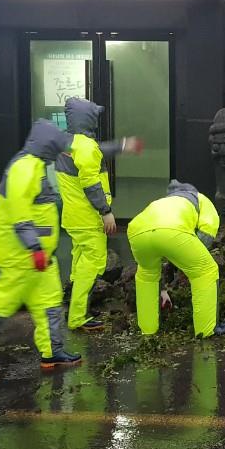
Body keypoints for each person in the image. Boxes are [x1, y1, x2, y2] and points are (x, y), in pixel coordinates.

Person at [0, 120, 83, 374]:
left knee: (50, 304)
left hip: (39, 257)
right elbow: (20, 215)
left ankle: (52, 352)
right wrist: (34, 248)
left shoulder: (35, 165)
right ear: (48, 146)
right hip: (19, 256)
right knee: (1, 303)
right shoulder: (24, 168)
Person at [55, 97, 142, 333]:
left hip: (73, 217)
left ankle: (74, 303)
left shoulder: (68, 143)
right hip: (89, 217)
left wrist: (122, 145)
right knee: (93, 263)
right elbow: (91, 182)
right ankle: (77, 316)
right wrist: (106, 212)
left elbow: (96, 151)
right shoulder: (86, 148)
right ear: (88, 119)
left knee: (79, 261)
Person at [126, 180, 225, 338]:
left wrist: (163, 288)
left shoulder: (161, 202)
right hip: (173, 231)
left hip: (136, 232)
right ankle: (206, 331)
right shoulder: (201, 199)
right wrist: (186, 262)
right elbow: (207, 233)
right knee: (205, 271)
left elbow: (157, 241)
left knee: (147, 276)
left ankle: (148, 331)